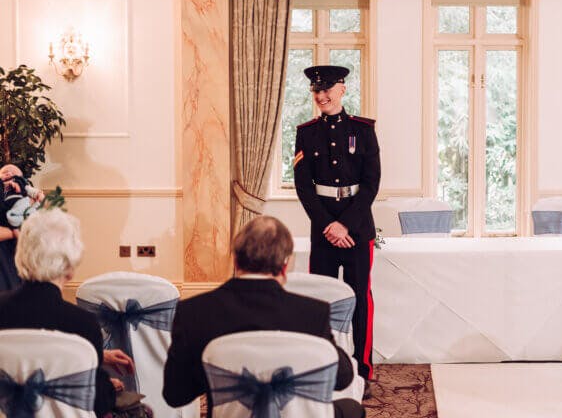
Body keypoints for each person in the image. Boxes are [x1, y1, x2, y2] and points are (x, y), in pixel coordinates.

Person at [163, 215, 365, 418]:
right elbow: (343, 377)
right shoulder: (312, 313)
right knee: (352, 409)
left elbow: (175, 395)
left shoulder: (193, 311)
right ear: (285, 266)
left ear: (235, 259)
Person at [0, 209, 142, 417]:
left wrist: (97, 358)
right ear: (70, 268)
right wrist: (105, 385)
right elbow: (98, 402)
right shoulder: (82, 324)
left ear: (20, 257)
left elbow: (24, 355)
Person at [294, 65, 381, 394]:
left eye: (328, 88)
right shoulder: (306, 132)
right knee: (323, 301)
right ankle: (326, 366)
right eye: (317, 90)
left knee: (360, 300)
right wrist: (329, 224)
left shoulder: (364, 130)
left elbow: (371, 185)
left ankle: (362, 370)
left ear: (343, 89)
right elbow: (304, 187)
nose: (322, 95)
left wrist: (346, 224)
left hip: (358, 229)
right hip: (323, 229)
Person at [0, 163, 45, 228]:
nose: (9, 174)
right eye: (4, 172)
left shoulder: (21, 185)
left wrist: (39, 194)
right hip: (3, 214)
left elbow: (33, 191)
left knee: (31, 214)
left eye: (13, 174)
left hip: (18, 210)